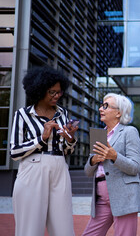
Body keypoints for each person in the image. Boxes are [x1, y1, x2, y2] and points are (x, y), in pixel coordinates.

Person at [10, 67, 78, 236]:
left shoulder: (63, 114)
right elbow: (15, 151)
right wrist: (42, 138)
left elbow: (67, 150)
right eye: (52, 92)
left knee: (64, 228)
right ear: (39, 91)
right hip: (33, 168)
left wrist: (70, 140)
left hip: (60, 167)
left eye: (59, 92)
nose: (57, 96)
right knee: (30, 228)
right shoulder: (23, 115)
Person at [82, 93, 140, 236]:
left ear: (119, 112)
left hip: (124, 196)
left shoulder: (129, 132)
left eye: (106, 106)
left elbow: (134, 167)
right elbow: (88, 171)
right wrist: (93, 160)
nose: (100, 109)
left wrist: (114, 156)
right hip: (101, 198)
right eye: (101, 105)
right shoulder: (100, 135)